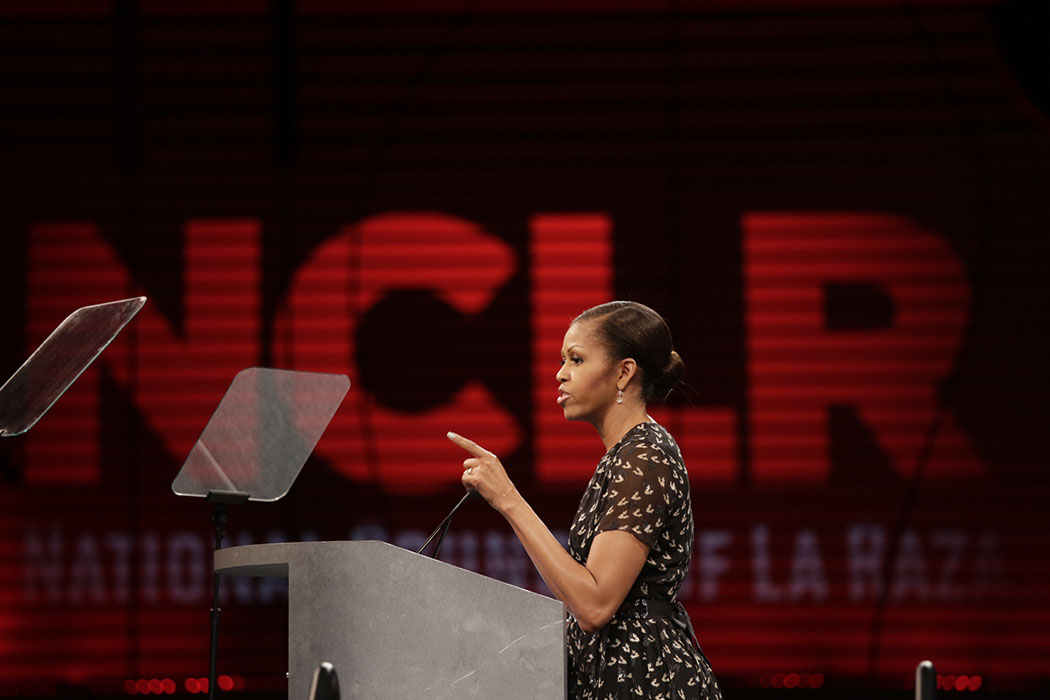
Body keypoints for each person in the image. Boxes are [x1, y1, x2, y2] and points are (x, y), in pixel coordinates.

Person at [449, 300, 722, 700]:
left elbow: (594, 605)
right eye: (563, 360)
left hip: (647, 682)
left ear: (624, 372)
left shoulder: (645, 457)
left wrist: (508, 499)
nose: (560, 375)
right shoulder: (627, 454)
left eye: (576, 360)